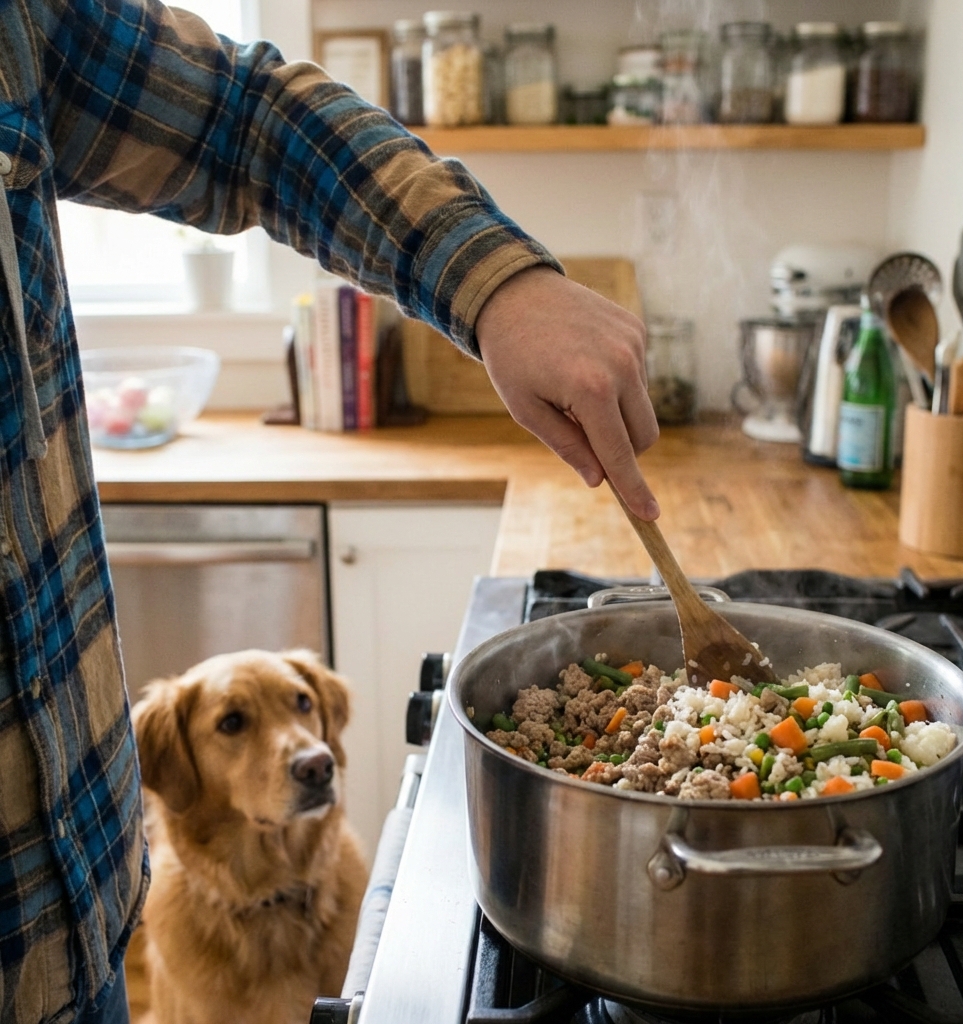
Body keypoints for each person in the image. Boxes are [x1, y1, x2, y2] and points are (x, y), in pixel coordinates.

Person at [0, 1, 659, 1021]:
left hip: (67, 919)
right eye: (238, 725)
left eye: (303, 718)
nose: (303, 746)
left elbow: (240, 120)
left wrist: (498, 284)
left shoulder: (18, 27)